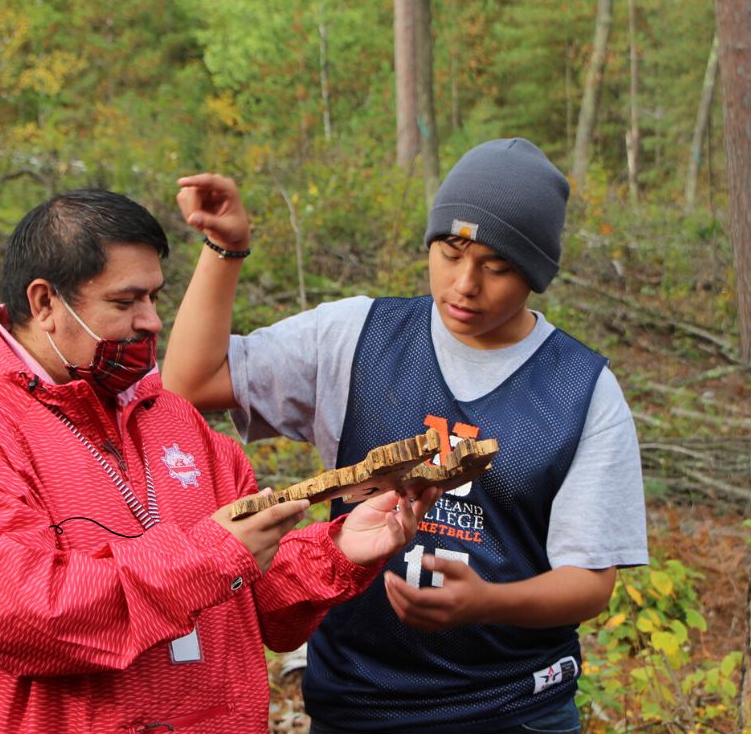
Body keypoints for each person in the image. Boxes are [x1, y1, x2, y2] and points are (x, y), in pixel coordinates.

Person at [0, 188, 440, 734]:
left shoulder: (173, 419)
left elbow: (254, 601)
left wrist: (339, 550)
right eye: (125, 301)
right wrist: (212, 555)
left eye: (154, 296)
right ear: (45, 303)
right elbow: (14, 615)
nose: (152, 321)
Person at [163, 138, 649, 733]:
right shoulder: (358, 336)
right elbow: (192, 382)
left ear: (537, 272)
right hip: (358, 701)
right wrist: (224, 248)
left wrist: (486, 604)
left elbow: (590, 582)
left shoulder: (582, 389)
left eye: (496, 267)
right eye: (450, 252)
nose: (465, 284)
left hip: (513, 708)